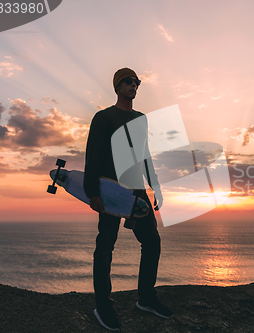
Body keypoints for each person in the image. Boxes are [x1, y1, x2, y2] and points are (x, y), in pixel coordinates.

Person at [84, 68, 173, 331]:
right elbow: (93, 154)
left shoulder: (141, 119)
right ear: (117, 86)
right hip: (112, 189)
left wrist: (154, 184)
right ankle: (103, 305)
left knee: (152, 242)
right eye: (128, 81)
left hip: (136, 189)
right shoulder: (103, 118)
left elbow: (145, 155)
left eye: (137, 82)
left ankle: (146, 298)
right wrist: (92, 192)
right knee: (106, 246)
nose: (134, 85)